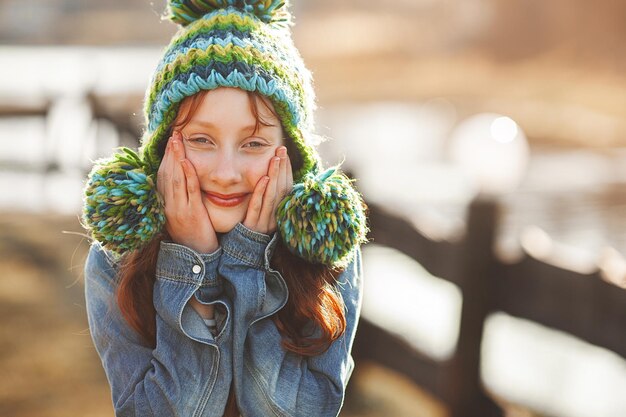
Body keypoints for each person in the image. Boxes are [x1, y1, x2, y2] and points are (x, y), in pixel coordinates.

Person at [82, 1, 368, 417]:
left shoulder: (327, 254)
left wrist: (248, 263)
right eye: (201, 140)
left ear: (290, 153)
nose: (226, 172)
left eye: (253, 143)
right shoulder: (116, 262)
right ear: (164, 146)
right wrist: (191, 267)